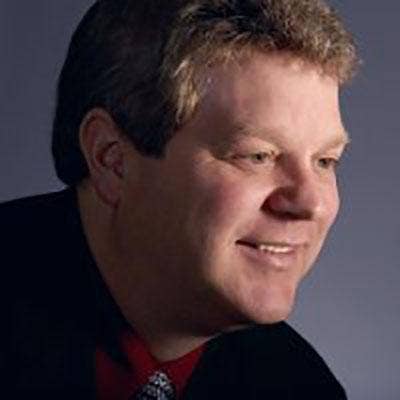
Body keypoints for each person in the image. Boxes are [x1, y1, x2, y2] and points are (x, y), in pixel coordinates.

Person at [1, 0, 359, 398]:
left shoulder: (301, 386)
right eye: (258, 156)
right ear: (112, 160)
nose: (312, 203)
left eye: (325, 161)